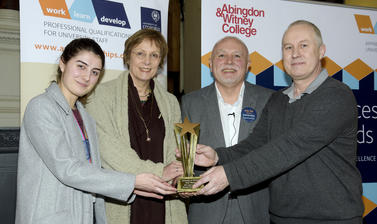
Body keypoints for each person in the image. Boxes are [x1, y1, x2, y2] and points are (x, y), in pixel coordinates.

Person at [188, 20, 364, 223]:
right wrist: (218, 156)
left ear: (321, 51)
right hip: (281, 217)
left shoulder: (336, 96)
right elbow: (255, 145)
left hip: (331, 219)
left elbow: (289, 148)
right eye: (288, 47)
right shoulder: (278, 100)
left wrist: (229, 174)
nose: (295, 53)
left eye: (303, 45)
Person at [16, 38, 177, 224]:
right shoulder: (42, 107)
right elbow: (67, 169)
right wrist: (131, 182)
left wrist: (133, 187)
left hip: (83, 214)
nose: (86, 77)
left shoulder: (85, 116)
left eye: (94, 72)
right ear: (62, 63)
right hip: (50, 216)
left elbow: (93, 170)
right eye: (81, 66)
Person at [86, 29, 187, 224]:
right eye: (140, 53)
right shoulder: (100, 96)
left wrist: (176, 176)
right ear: (127, 57)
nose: (147, 61)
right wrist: (160, 173)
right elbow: (108, 151)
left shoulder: (171, 102)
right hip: (125, 198)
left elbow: (173, 152)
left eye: (154, 55)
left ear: (160, 62)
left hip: (163, 199)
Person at [180, 36, 273, 224]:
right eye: (221, 55)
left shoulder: (270, 100)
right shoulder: (190, 102)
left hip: (256, 211)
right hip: (206, 212)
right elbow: (185, 158)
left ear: (248, 64)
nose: (229, 61)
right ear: (210, 63)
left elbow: (273, 156)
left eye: (237, 56)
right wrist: (182, 182)